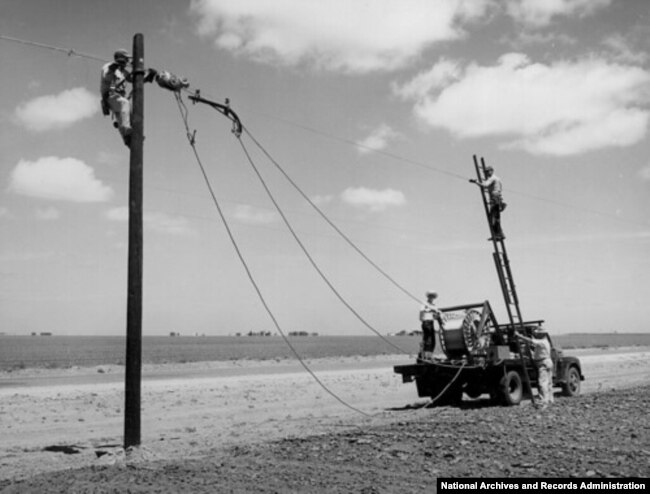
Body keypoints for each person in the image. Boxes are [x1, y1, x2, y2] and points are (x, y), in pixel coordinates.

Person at [100, 49, 133, 146]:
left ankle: (128, 140)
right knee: (124, 104)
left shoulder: (123, 72)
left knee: (124, 116)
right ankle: (127, 130)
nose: (127, 62)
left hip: (118, 96)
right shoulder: (109, 66)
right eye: (126, 59)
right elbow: (106, 78)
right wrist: (112, 69)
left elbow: (133, 79)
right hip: (110, 95)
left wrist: (147, 77)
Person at [517, 328, 554, 408]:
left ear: (542, 334)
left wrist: (519, 336)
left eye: (538, 334)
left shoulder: (542, 342)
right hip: (547, 362)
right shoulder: (545, 342)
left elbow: (530, 341)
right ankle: (550, 400)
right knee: (549, 383)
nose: (536, 335)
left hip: (543, 363)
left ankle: (544, 402)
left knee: (542, 383)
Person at [470, 166, 506, 240]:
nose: (486, 173)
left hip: (495, 198)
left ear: (491, 171)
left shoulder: (492, 178)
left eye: (487, 171)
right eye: (485, 172)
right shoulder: (497, 178)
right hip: (497, 198)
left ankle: (499, 235)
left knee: (493, 218)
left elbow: (485, 185)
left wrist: (476, 182)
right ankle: (499, 234)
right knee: (495, 218)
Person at [419, 291, 444, 361]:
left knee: (432, 340)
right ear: (428, 297)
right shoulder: (424, 303)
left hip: (431, 322)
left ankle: (428, 355)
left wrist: (439, 318)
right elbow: (421, 312)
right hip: (426, 322)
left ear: (433, 298)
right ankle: (427, 356)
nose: (431, 297)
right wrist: (422, 319)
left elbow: (436, 315)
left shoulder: (434, 305)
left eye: (432, 296)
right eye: (430, 296)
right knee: (428, 339)